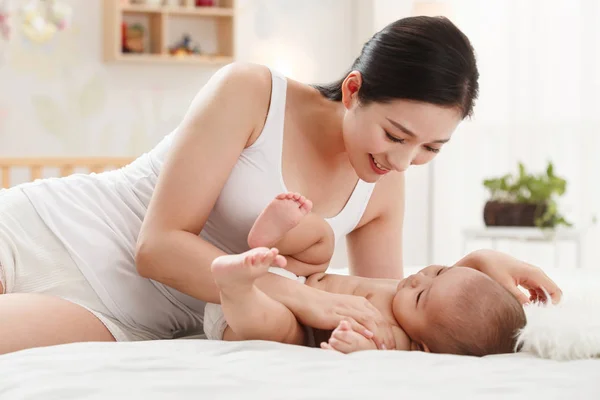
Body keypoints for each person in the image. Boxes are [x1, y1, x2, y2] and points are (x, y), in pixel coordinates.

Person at [0, 16, 561, 355]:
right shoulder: (251, 93)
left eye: (431, 149)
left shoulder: (385, 183)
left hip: (136, 318)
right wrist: (295, 292)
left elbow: (394, 309)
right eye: (396, 133)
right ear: (352, 89)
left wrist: (478, 266)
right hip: (60, 232)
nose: (405, 159)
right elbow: (157, 248)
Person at [205, 192, 527, 357]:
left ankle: (236, 288)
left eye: (420, 295)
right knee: (322, 242)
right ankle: (269, 237)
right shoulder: (437, 300)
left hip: (261, 314)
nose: (419, 279)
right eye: (438, 271)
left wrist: (358, 347)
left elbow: (374, 353)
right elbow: (462, 292)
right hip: (294, 275)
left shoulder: (398, 339)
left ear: (424, 347)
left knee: (282, 330)